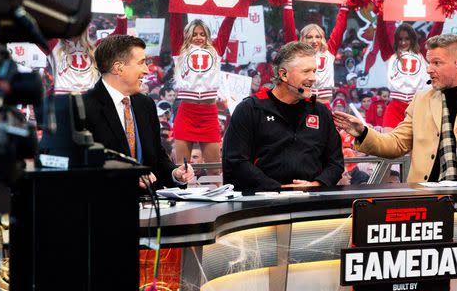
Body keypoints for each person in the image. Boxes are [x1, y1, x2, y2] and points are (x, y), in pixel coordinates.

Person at [333, 34, 457, 182]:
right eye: (429, 62)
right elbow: (397, 144)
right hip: (429, 198)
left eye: (436, 63)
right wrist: (363, 133)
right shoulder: (421, 99)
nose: (429, 69)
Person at [222, 42, 344, 191]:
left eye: (314, 71)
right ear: (283, 74)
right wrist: (279, 189)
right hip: (261, 205)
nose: (314, 78)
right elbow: (236, 161)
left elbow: (335, 162)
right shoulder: (250, 109)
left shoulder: (321, 112)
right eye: (306, 72)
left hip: (313, 202)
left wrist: (317, 184)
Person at [84, 35, 194, 189]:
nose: (147, 70)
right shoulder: (84, 107)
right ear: (118, 68)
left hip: (151, 206)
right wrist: (126, 179)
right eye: (141, 63)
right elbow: (83, 168)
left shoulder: (145, 104)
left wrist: (174, 174)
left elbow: (157, 156)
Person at [170, 14, 237, 171]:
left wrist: (234, 11)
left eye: (202, 34)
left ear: (208, 36)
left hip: (208, 114)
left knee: (214, 168)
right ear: (187, 35)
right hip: (186, 112)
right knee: (183, 168)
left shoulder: (216, 51)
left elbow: (225, 30)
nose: (198, 37)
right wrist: (175, 4)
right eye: (194, 34)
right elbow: (175, 25)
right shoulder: (179, 50)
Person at [283, 1, 351, 104]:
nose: (314, 41)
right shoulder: (297, 52)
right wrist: (287, 6)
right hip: (302, 102)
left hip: (324, 102)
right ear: (302, 39)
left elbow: (339, 29)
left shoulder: (329, 51)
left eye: (317, 37)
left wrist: (344, 8)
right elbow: (289, 30)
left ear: (322, 38)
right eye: (309, 37)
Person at [375, 19, 429, 131]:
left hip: (417, 106)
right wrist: (380, 13)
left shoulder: (423, 54)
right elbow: (381, 35)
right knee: (388, 144)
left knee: (418, 147)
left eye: (407, 39)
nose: (403, 42)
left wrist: (441, 19)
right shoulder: (390, 55)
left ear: (413, 39)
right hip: (395, 106)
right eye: (400, 39)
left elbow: (435, 33)